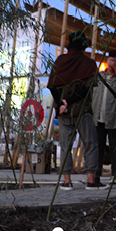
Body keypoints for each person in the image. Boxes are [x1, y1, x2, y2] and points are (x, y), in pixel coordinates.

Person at [47, 30, 102, 190]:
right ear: (83, 46)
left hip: (64, 113)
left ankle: (67, 181)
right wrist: (70, 101)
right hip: (82, 110)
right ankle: (91, 181)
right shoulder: (89, 64)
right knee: (90, 144)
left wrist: (62, 103)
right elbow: (87, 90)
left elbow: (52, 86)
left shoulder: (60, 61)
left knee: (65, 146)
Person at [92, 49, 116, 184]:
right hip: (98, 117)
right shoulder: (98, 76)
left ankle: (114, 175)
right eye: (111, 59)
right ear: (107, 60)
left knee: (114, 147)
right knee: (99, 147)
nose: (113, 62)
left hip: (114, 117)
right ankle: (96, 174)